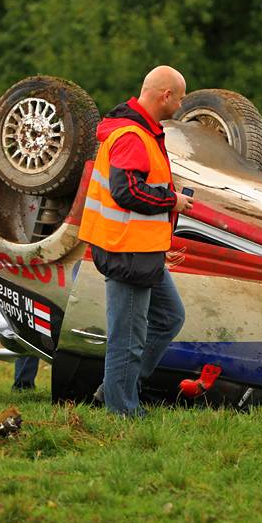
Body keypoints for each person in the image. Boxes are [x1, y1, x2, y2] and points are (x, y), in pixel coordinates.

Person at [78, 66, 192, 416]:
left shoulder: (141, 131)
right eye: (181, 96)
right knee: (127, 338)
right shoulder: (132, 135)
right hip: (126, 249)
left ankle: (116, 389)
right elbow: (126, 191)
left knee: (169, 317)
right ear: (166, 96)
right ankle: (122, 411)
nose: (183, 104)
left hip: (142, 250)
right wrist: (172, 200)